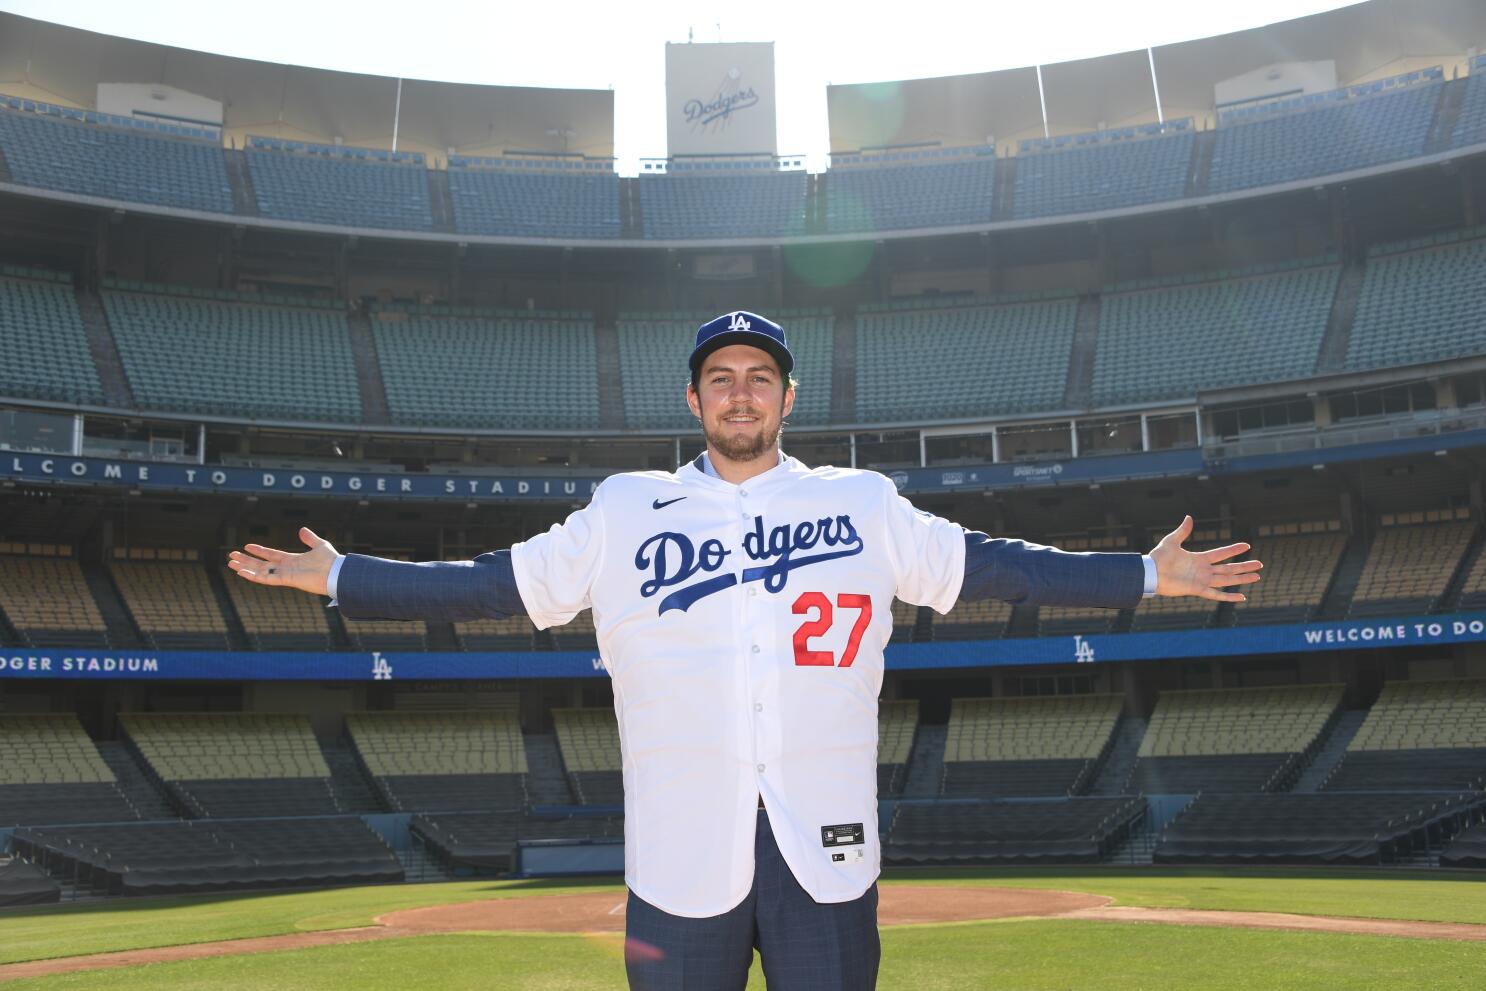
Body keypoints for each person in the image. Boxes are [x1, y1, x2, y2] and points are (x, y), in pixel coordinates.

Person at [229, 310, 1262, 990]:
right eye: (718, 378)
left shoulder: (856, 500)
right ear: (692, 400)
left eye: (758, 377)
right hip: (680, 856)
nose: (738, 395)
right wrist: (344, 577)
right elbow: (492, 587)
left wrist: (1141, 573)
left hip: (828, 849)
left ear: (787, 397)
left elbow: (998, 567)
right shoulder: (627, 508)